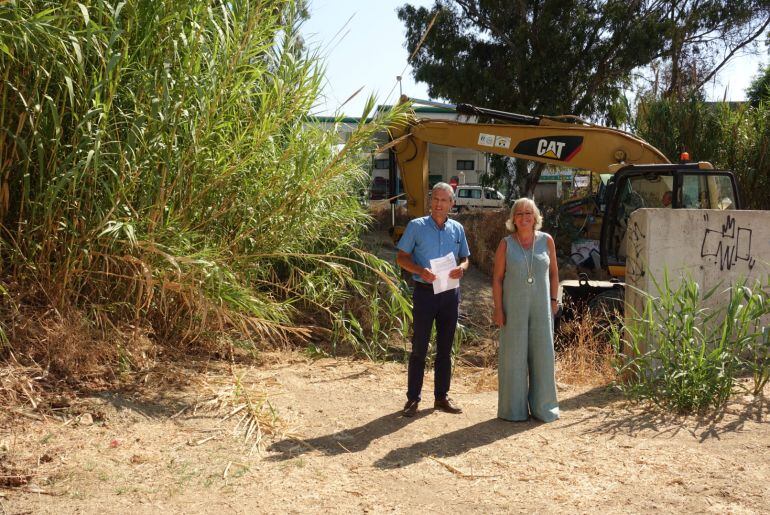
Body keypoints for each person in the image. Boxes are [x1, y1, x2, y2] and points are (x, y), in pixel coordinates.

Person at [396, 182, 470, 417]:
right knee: (419, 347)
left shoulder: (457, 229)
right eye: (435, 199)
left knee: (445, 348)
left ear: (452, 204)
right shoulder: (416, 227)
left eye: (444, 200)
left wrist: (462, 268)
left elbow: (466, 258)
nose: (439, 204)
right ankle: (412, 399)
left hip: (450, 293)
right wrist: (419, 270)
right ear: (431, 201)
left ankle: (441, 397)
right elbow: (401, 258)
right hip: (425, 293)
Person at [492, 198, 560, 422]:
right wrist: (498, 309)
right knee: (513, 358)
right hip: (514, 309)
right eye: (519, 213)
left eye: (528, 213)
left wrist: (553, 299)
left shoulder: (547, 241)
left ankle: (544, 408)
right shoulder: (506, 244)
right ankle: (514, 410)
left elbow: (553, 274)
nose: (523, 217)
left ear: (535, 217)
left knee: (543, 356)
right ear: (513, 219)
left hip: (542, 307)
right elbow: (497, 279)